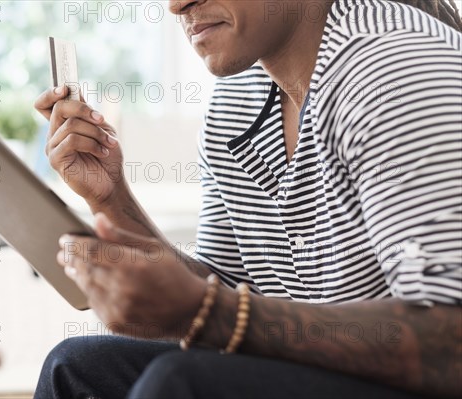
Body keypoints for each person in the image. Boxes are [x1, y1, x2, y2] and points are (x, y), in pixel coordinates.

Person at [33, 0, 462, 398]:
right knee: (73, 368)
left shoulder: (394, 67)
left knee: (179, 383)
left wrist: (209, 310)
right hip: (327, 373)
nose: (177, 4)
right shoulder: (240, 97)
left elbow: (451, 345)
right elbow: (222, 294)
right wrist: (111, 199)